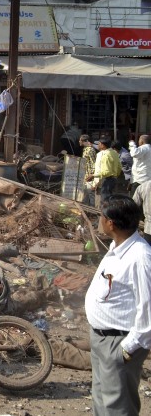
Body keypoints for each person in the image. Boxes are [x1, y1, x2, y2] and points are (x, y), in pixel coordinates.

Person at [84, 195, 151, 416]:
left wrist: (128, 348)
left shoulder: (140, 257)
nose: (99, 222)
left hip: (119, 343)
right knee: (102, 400)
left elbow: (148, 307)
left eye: (100, 217)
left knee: (118, 407)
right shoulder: (118, 247)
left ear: (111, 223)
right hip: (103, 339)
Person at [80, 135, 98, 207]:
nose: (79, 141)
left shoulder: (90, 150)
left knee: (91, 194)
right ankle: (86, 211)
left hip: (89, 177)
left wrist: (91, 175)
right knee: (85, 194)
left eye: (80, 140)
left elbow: (94, 163)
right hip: (85, 175)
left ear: (85, 141)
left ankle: (93, 212)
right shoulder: (85, 149)